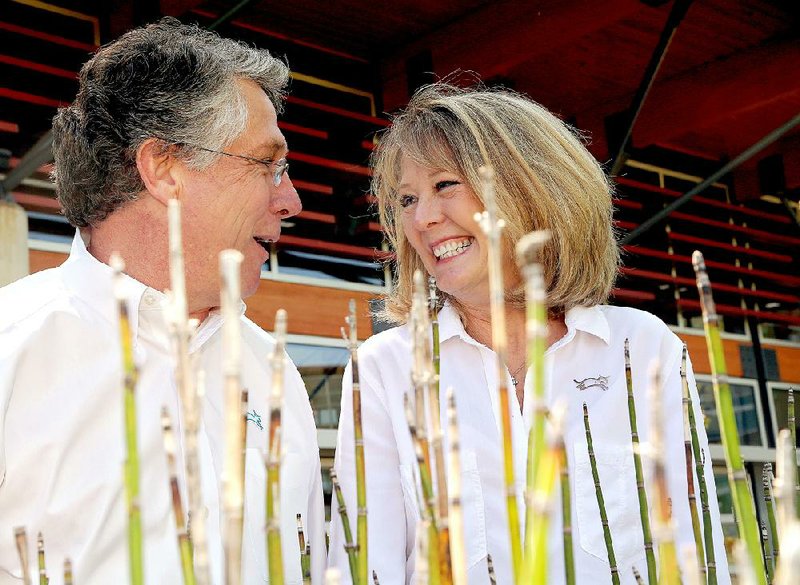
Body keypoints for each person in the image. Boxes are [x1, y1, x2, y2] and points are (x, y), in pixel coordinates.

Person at [329, 83, 731, 584]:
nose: (422, 217)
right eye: (407, 198)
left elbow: (695, 548)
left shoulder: (642, 349)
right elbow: (365, 566)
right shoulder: (386, 368)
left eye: (445, 185)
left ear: (531, 188)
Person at [0, 18, 324, 583]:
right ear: (165, 168)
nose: (291, 200)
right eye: (268, 165)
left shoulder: (271, 367)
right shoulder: (12, 349)